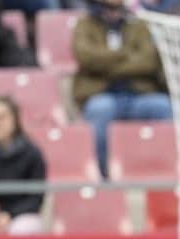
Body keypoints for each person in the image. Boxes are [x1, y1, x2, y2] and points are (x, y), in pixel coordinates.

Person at [72, 0, 173, 177]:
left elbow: (148, 61)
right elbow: (86, 56)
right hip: (101, 93)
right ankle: (104, 177)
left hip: (139, 94)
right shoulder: (84, 24)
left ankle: (164, 173)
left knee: (164, 106)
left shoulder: (139, 24)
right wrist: (126, 54)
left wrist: (106, 64)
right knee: (100, 109)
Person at [0, 95, 46, 235]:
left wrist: (10, 214)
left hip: (23, 215)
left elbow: (36, 198)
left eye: (2, 117)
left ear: (15, 120)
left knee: (22, 229)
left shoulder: (31, 153)